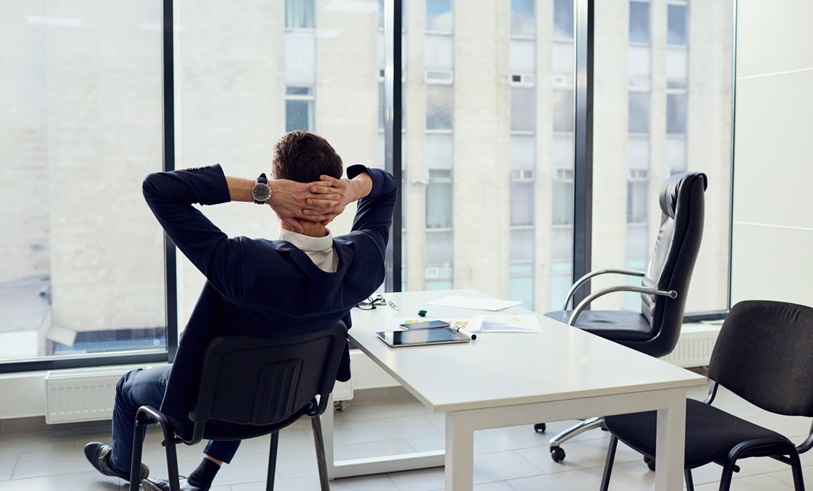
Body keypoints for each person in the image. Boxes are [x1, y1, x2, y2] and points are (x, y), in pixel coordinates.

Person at [83, 130, 396, 491]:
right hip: (287, 403)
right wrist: (350, 191)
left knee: (127, 387)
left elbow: (159, 188)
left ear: (282, 186)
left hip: (206, 411)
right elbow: (385, 187)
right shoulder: (366, 259)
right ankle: (203, 477)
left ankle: (122, 465)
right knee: (255, 348)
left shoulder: (245, 262)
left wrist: (262, 191)